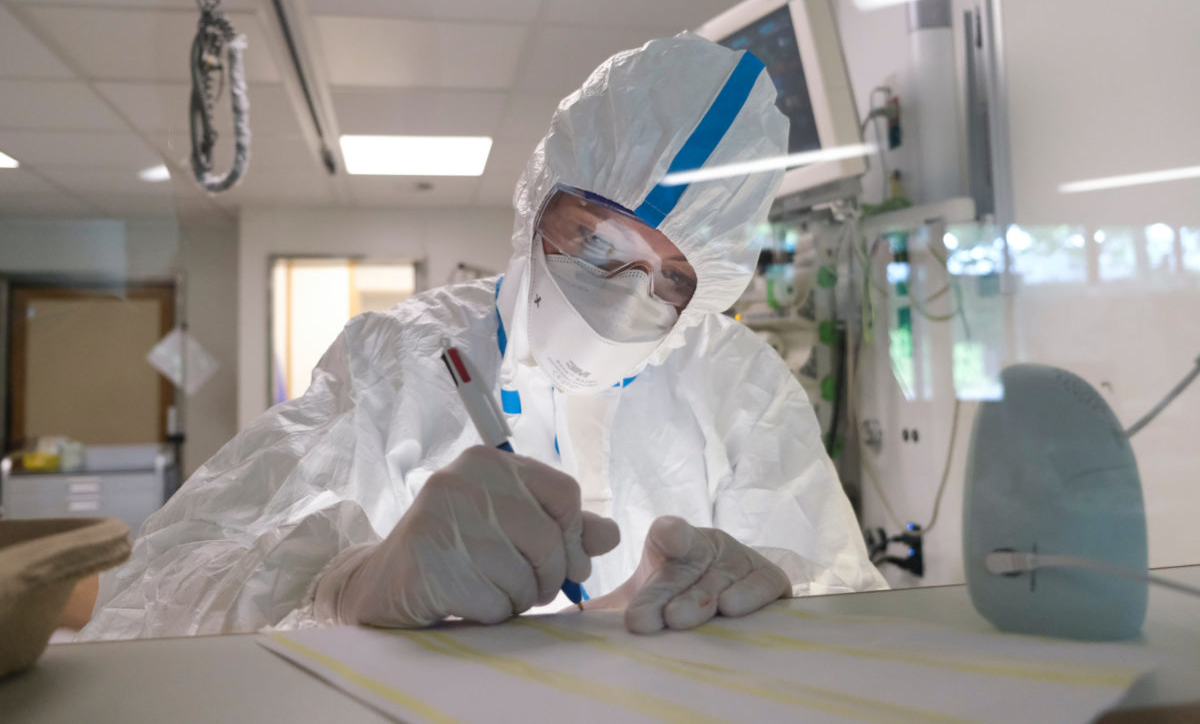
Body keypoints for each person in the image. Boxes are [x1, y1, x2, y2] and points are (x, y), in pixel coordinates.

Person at [79, 34, 886, 641]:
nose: (625, 298)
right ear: (539, 203)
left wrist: (769, 598)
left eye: (671, 278)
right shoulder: (393, 361)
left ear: (708, 292)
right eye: (599, 243)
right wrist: (344, 588)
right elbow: (151, 596)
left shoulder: (741, 386)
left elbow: (858, 620)